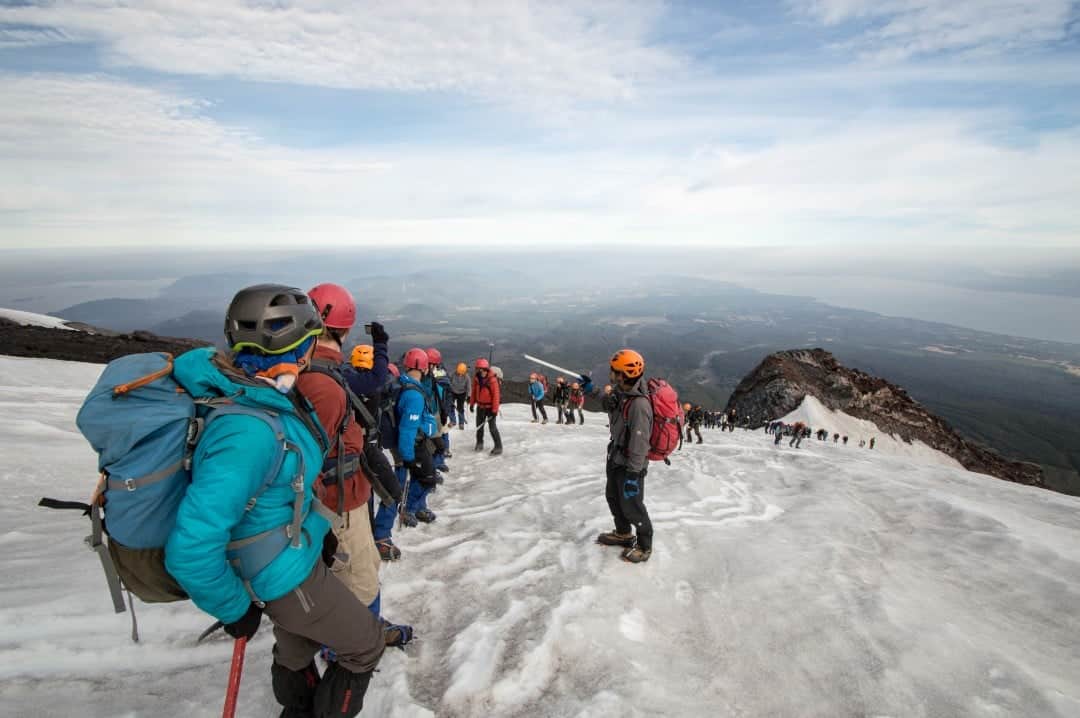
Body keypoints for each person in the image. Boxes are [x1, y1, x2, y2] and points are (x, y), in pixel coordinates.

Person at [165, 284, 384, 717]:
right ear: (300, 347)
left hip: (283, 550)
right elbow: (190, 548)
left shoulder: (254, 394)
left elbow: (280, 489)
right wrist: (233, 608)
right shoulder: (249, 430)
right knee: (364, 645)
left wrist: (317, 530)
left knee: (296, 648)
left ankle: (297, 709)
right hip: (277, 570)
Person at [302, 284, 399, 635]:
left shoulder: (299, 372)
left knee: (354, 567)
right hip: (338, 499)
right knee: (358, 576)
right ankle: (359, 638)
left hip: (326, 499)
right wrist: (382, 346)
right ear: (343, 329)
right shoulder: (326, 382)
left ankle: (358, 631)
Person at [344, 340, 403, 562]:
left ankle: (368, 537)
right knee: (392, 491)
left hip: (348, 450)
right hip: (367, 447)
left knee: (364, 494)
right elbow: (390, 383)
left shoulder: (344, 382)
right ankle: (380, 538)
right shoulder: (376, 386)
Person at [596, 348, 653, 564]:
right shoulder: (622, 393)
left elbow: (640, 443)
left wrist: (633, 474)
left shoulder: (639, 405)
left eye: (615, 372)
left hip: (630, 464)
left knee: (633, 506)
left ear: (625, 375)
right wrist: (591, 389)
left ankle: (645, 545)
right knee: (613, 497)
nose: (611, 374)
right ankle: (623, 533)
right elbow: (608, 403)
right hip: (616, 457)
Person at [397, 348, 440, 525]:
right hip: (414, 444)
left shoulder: (404, 384)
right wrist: (407, 456)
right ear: (424, 368)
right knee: (428, 478)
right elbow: (408, 427)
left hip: (416, 441)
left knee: (421, 476)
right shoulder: (414, 395)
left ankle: (418, 506)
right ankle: (410, 509)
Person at [471, 358, 502, 455]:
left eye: (481, 369)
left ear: (485, 369)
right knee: (479, 426)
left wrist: (494, 410)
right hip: (480, 407)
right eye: (478, 369)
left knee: (492, 427)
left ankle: (498, 447)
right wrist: (472, 404)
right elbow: (474, 391)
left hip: (489, 408)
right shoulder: (477, 378)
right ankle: (479, 443)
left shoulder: (492, 380)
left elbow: (496, 396)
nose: (480, 372)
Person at [449, 362, 470, 429]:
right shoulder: (453, 374)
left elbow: (469, 387)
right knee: (450, 406)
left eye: (461, 373)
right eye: (459, 373)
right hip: (453, 391)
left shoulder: (467, 377)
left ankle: (461, 423)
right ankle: (453, 421)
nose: (460, 374)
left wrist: (469, 396)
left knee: (460, 408)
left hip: (462, 393)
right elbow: (449, 382)